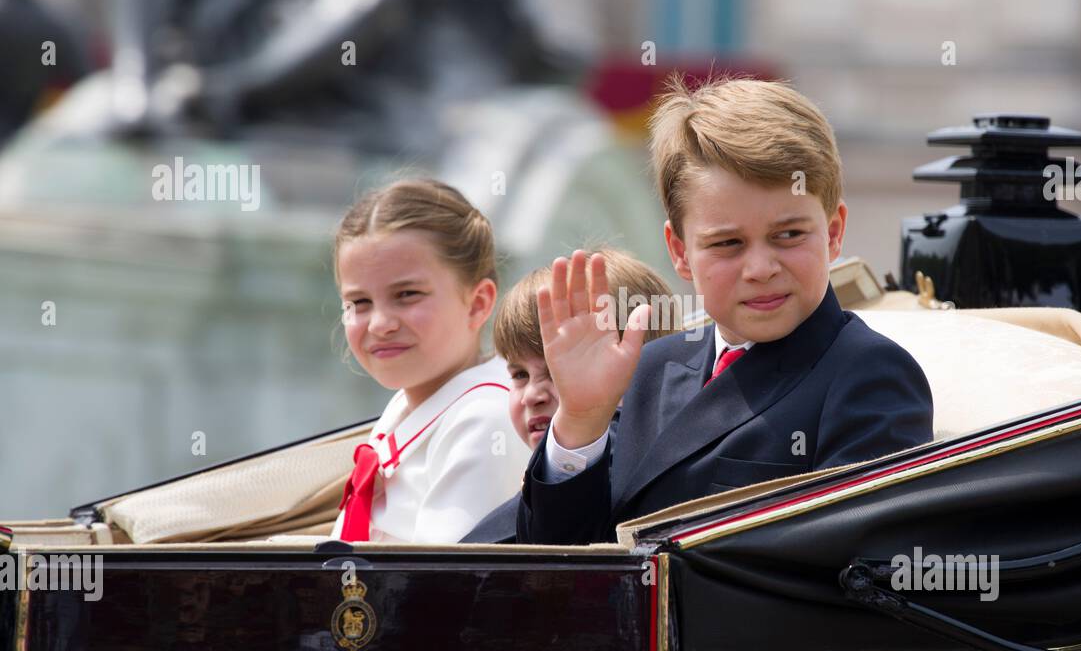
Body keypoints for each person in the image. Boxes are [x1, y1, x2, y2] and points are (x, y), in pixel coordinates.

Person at [516, 75, 935, 545]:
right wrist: (579, 421)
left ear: (834, 233)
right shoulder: (650, 368)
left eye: (789, 235)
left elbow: (850, 576)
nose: (760, 267)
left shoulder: (868, 375)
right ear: (678, 252)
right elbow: (560, 565)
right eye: (728, 243)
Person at [329, 178, 531, 544]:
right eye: (359, 303)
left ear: (478, 302)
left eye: (407, 295)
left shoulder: (485, 420)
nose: (380, 324)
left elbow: (438, 585)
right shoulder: (412, 403)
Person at [461, 250, 679, 543]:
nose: (532, 396)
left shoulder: (639, 478)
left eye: (556, 371)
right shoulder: (541, 472)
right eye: (519, 375)